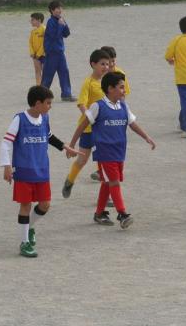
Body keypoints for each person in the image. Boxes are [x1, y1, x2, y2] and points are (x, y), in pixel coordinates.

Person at [68, 72, 156, 229]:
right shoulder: (98, 106)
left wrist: (146, 137)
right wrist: (72, 144)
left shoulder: (123, 106)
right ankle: (122, 213)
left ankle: (99, 213)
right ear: (110, 89)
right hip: (104, 151)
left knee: (108, 182)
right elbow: (82, 125)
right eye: (121, 87)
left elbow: (132, 124)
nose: (124, 90)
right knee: (114, 181)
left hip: (119, 151)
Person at [0, 85, 78, 257]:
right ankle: (24, 242)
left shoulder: (44, 118)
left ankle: (30, 227)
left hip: (42, 169)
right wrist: (6, 165)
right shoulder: (19, 119)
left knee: (45, 204)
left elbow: (48, 136)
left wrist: (65, 147)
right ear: (37, 103)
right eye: (48, 103)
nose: (50, 106)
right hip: (24, 170)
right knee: (26, 205)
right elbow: (6, 142)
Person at [62, 49, 110, 198]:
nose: (106, 67)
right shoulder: (88, 83)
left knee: (104, 161)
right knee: (82, 160)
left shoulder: (107, 83)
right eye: (102, 64)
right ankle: (70, 181)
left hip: (103, 130)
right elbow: (81, 103)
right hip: (88, 128)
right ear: (93, 64)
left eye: (107, 64)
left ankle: (107, 196)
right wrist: (90, 116)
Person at [89, 45, 131, 184]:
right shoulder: (96, 79)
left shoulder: (120, 75)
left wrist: (120, 109)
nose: (111, 64)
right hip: (98, 119)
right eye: (107, 62)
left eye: (113, 61)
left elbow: (124, 95)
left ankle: (102, 172)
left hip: (114, 117)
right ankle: (100, 170)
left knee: (109, 181)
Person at [41, 0, 76, 102]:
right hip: (52, 53)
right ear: (52, 10)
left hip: (60, 53)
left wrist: (64, 25)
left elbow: (66, 34)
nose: (60, 10)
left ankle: (66, 94)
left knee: (64, 73)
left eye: (61, 8)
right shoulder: (50, 22)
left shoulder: (60, 19)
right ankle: (41, 95)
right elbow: (54, 36)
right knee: (48, 75)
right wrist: (60, 25)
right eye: (57, 8)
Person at [28, 12, 46, 86]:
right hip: (35, 56)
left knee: (45, 72)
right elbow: (30, 43)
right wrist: (32, 53)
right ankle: (38, 86)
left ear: (39, 20)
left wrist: (39, 54)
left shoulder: (44, 29)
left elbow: (44, 43)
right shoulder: (33, 31)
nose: (31, 21)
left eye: (33, 20)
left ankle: (44, 86)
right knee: (37, 71)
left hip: (43, 55)